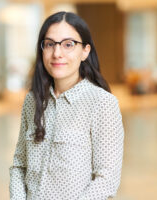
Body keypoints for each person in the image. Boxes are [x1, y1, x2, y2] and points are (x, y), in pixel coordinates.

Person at [9, 11, 124, 200]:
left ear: (85, 51)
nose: (57, 53)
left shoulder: (102, 103)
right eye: (50, 44)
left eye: (68, 44)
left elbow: (107, 180)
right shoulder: (33, 100)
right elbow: (19, 165)